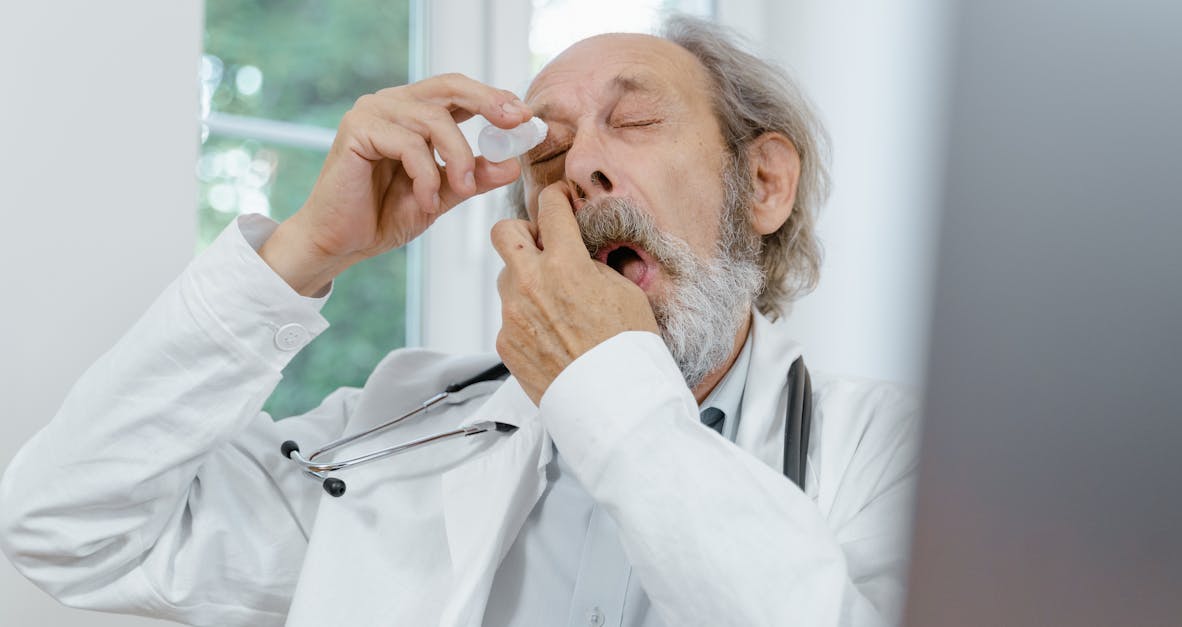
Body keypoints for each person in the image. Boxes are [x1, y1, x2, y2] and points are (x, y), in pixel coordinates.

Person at [0, 15, 918, 627]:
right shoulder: (396, 432)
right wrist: (307, 250)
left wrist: (610, 393)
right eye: (546, 146)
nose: (581, 167)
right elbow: (65, 524)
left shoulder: (899, 455)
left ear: (762, 185)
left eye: (633, 120)